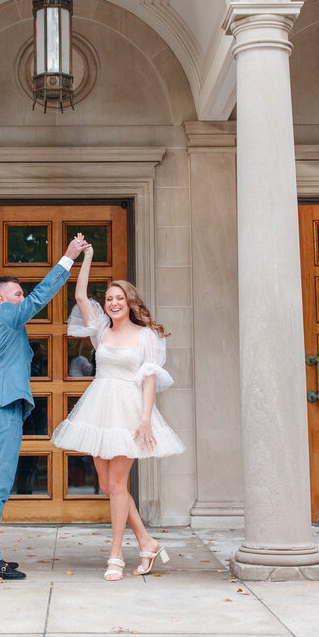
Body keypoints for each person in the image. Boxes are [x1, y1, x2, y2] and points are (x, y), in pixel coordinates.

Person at [50, 243, 184, 580]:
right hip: (99, 407)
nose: (113, 303)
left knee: (119, 483)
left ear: (130, 302)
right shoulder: (100, 330)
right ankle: (147, 541)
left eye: (119, 298)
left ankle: (115, 556)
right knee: (110, 486)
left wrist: (144, 419)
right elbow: (81, 297)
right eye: (109, 298)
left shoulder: (146, 336)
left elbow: (149, 380)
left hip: (129, 410)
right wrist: (87, 258)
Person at [0, 232, 91, 580]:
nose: (22, 299)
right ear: (1, 298)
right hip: (2, 410)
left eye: (19, 295)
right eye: (16, 294)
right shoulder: (1, 314)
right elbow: (38, 299)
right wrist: (68, 257)